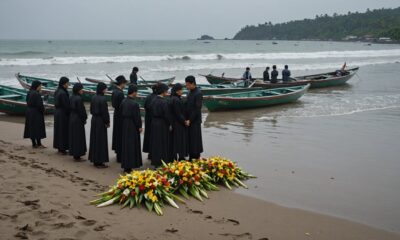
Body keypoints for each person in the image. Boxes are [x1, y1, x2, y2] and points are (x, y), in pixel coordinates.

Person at [120, 84, 143, 172]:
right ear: (133, 92)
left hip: (125, 124)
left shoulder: (123, 101)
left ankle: (126, 165)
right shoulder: (134, 104)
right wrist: (140, 126)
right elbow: (137, 117)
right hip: (132, 125)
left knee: (126, 144)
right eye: (136, 92)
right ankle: (130, 165)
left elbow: (120, 113)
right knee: (132, 144)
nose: (136, 94)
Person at [149, 83, 172, 167]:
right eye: (166, 90)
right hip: (162, 123)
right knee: (163, 142)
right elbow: (167, 115)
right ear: (163, 91)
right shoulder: (164, 102)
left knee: (155, 142)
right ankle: (162, 161)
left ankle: (155, 162)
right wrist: (170, 124)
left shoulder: (153, 100)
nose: (167, 92)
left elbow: (150, 110)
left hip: (154, 122)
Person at [88, 83, 110, 168]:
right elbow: (105, 112)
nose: (106, 90)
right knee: (101, 140)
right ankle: (100, 161)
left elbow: (91, 110)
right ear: (102, 89)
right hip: (100, 120)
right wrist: (107, 122)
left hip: (94, 119)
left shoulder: (93, 97)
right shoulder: (103, 99)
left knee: (94, 139)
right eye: (105, 88)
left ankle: (94, 159)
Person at [185, 76, 203, 160]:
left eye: (188, 85)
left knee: (195, 139)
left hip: (195, 120)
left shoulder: (198, 93)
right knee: (190, 139)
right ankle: (191, 156)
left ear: (193, 83)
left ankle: (196, 156)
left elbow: (197, 108)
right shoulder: (189, 92)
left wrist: (190, 120)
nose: (187, 87)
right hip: (188, 120)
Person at [24, 80, 46, 148]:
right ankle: (39, 144)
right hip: (36, 113)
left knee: (31, 127)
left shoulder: (30, 92)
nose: (41, 87)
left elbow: (27, 101)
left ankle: (34, 144)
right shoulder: (37, 94)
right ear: (37, 86)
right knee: (38, 127)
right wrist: (43, 110)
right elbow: (39, 105)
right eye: (40, 86)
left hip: (29, 112)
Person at [68, 83, 87, 161]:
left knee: (73, 136)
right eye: (81, 89)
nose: (82, 90)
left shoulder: (71, 97)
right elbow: (81, 111)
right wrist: (84, 118)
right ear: (78, 90)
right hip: (78, 119)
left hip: (72, 117)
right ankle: (77, 155)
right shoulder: (79, 99)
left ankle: (74, 153)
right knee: (78, 137)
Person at [169, 83, 188, 161]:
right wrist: (184, 121)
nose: (182, 91)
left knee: (174, 140)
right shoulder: (176, 100)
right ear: (177, 91)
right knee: (180, 140)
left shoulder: (173, 98)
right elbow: (178, 113)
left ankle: (174, 157)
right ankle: (181, 157)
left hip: (174, 123)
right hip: (178, 123)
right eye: (181, 89)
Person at [111, 75, 127, 163]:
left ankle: (117, 152)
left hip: (116, 114)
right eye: (124, 83)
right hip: (120, 114)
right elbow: (122, 106)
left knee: (116, 133)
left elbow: (113, 104)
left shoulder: (114, 91)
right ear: (122, 83)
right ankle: (120, 156)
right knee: (120, 134)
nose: (125, 85)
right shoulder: (120, 93)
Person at [53, 77, 70, 154]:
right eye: (67, 83)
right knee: (63, 130)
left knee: (58, 130)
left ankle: (59, 147)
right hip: (62, 113)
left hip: (57, 112)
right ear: (64, 83)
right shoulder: (63, 93)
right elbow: (66, 105)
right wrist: (69, 114)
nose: (68, 85)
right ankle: (63, 148)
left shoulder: (57, 91)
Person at [142, 84, 158, 160]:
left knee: (149, 136)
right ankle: (154, 153)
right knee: (155, 137)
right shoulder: (157, 98)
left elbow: (145, 106)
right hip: (155, 120)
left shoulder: (148, 97)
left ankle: (150, 153)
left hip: (148, 120)